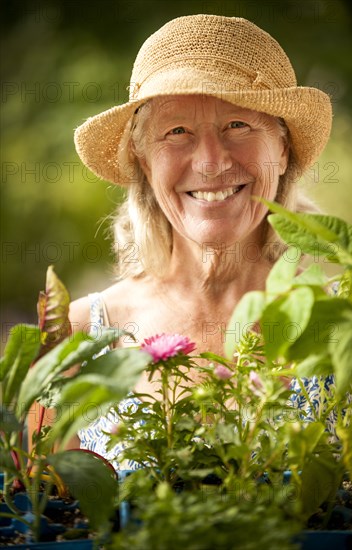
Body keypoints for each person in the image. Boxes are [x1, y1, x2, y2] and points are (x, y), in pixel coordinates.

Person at [50, 15, 335, 464]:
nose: (210, 161)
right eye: (177, 131)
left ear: (282, 149)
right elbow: (43, 518)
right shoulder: (79, 335)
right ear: (144, 163)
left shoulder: (343, 324)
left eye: (238, 125)